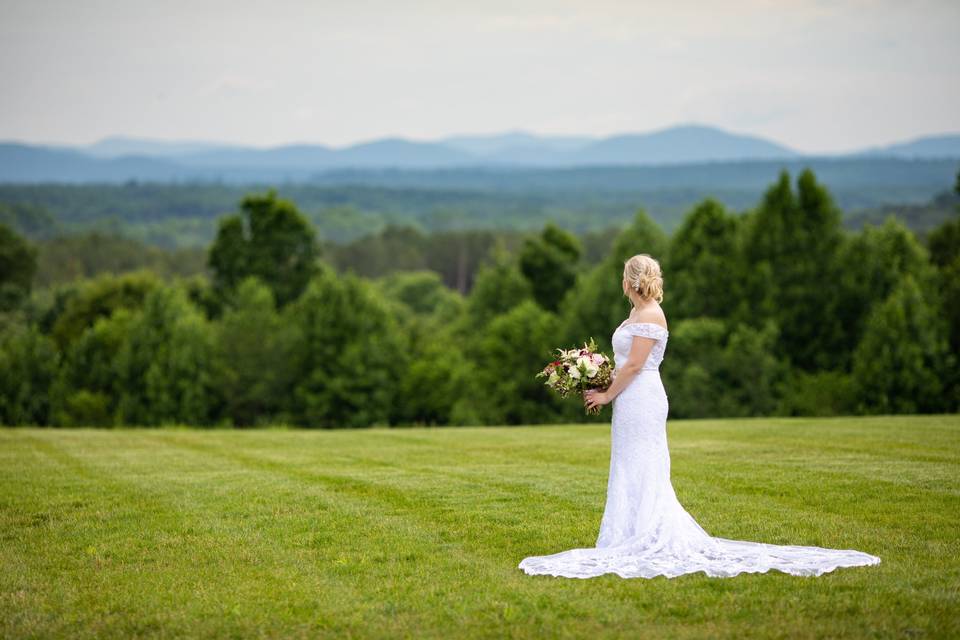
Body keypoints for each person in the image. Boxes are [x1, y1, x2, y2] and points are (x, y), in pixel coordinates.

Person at [518, 254, 881, 578]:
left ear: (628, 281)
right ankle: (628, 531)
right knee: (627, 463)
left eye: (624, 278)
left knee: (645, 463)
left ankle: (649, 532)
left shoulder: (650, 315)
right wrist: (593, 376)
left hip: (641, 396)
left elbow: (636, 367)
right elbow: (624, 365)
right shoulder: (635, 313)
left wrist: (607, 393)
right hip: (628, 398)